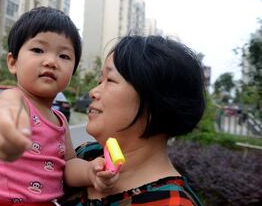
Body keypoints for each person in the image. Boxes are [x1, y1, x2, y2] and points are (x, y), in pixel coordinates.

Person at [0, 6, 118, 206]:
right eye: (38, 50)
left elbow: (68, 165)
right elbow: (6, 111)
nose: (51, 61)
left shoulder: (59, 120)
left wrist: (90, 172)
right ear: (13, 63)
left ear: (72, 71)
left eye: (64, 56)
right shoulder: (15, 98)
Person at [60, 35, 205, 205]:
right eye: (100, 80)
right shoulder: (84, 157)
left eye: (111, 80)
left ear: (155, 103)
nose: (93, 91)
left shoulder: (172, 202)